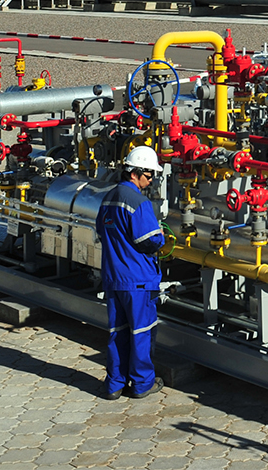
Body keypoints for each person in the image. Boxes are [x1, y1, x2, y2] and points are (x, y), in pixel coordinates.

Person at [97, 146, 168, 399]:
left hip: (114, 278)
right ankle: (141, 384)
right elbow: (148, 241)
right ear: (136, 173)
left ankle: (114, 384)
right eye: (149, 176)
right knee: (141, 333)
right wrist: (161, 236)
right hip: (138, 280)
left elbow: (101, 232)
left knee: (117, 333)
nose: (151, 182)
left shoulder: (108, 199)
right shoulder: (138, 202)